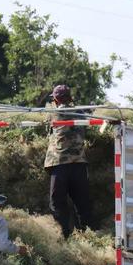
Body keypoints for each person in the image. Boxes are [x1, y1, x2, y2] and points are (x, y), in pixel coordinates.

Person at [44, 84, 92, 238]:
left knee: (57, 203)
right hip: (79, 164)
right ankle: (86, 235)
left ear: (56, 100)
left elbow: (45, 127)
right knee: (82, 202)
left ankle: (63, 235)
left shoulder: (53, 113)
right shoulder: (80, 112)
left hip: (60, 164)